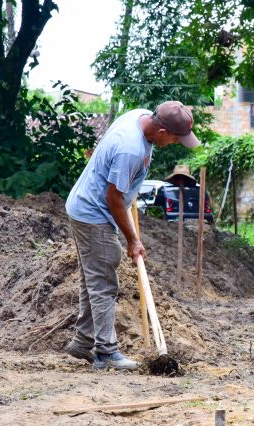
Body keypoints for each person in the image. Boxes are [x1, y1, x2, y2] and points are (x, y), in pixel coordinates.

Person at [64, 101, 199, 370]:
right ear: (161, 131)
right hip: (94, 214)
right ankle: (105, 352)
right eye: (175, 138)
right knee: (103, 282)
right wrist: (132, 239)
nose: (175, 143)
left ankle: (82, 342)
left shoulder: (138, 117)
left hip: (83, 206)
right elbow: (113, 198)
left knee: (92, 277)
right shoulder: (131, 150)